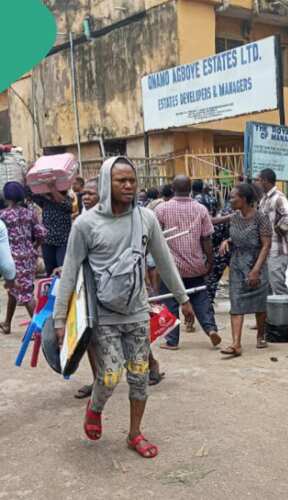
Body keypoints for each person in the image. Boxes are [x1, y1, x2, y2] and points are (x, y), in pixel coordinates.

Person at [53, 156, 193, 459]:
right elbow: (69, 271)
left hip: (137, 312)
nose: (129, 185)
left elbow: (165, 262)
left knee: (140, 375)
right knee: (109, 375)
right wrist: (59, 319)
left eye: (132, 180)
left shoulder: (146, 219)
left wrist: (183, 299)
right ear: (107, 183)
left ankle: (135, 433)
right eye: (121, 180)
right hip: (102, 315)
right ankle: (96, 407)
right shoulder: (85, 224)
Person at [71, 178, 165, 399]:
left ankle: (150, 365)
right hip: (98, 299)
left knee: (136, 345)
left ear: (103, 193)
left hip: (130, 294)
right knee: (95, 345)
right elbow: (75, 259)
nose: (87, 197)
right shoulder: (82, 223)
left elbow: (138, 259)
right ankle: (99, 383)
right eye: (84, 194)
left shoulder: (135, 219)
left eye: (91, 193)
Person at [154, 175, 221, 350]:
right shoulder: (200, 209)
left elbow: (156, 237)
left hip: (171, 266)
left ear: (172, 188)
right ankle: (210, 328)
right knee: (200, 297)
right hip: (195, 264)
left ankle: (172, 340)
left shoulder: (162, 209)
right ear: (190, 188)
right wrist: (209, 261)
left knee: (170, 301)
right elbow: (206, 238)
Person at [218, 183, 271, 357]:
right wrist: (228, 241)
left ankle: (261, 334)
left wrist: (256, 270)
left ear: (245, 199)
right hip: (237, 264)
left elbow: (266, 245)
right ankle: (236, 344)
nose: (230, 200)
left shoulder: (261, 218)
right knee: (236, 302)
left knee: (260, 305)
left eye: (234, 197)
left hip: (257, 263)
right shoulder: (234, 217)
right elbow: (237, 236)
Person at [0, 182, 46, 334]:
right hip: (29, 257)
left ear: (6, 197)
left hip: (12, 258)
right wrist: (33, 247)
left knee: (25, 294)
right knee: (14, 290)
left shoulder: (3, 216)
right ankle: (7, 323)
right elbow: (40, 233)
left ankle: (39, 330)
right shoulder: (29, 213)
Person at [254, 169, 288, 296]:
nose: (257, 183)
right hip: (267, 252)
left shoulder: (278, 197)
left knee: (279, 288)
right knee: (270, 289)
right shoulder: (264, 199)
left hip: (277, 251)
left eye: (258, 180)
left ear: (265, 181)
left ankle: (286, 315)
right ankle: (276, 316)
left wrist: (280, 229)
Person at [31, 181, 73, 275]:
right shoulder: (45, 201)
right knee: (50, 271)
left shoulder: (67, 200)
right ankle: (52, 289)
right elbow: (29, 192)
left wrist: (52, 187)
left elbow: (64, 204)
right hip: (47, 242)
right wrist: (29, 177)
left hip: (63, 242)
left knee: (63, 271)